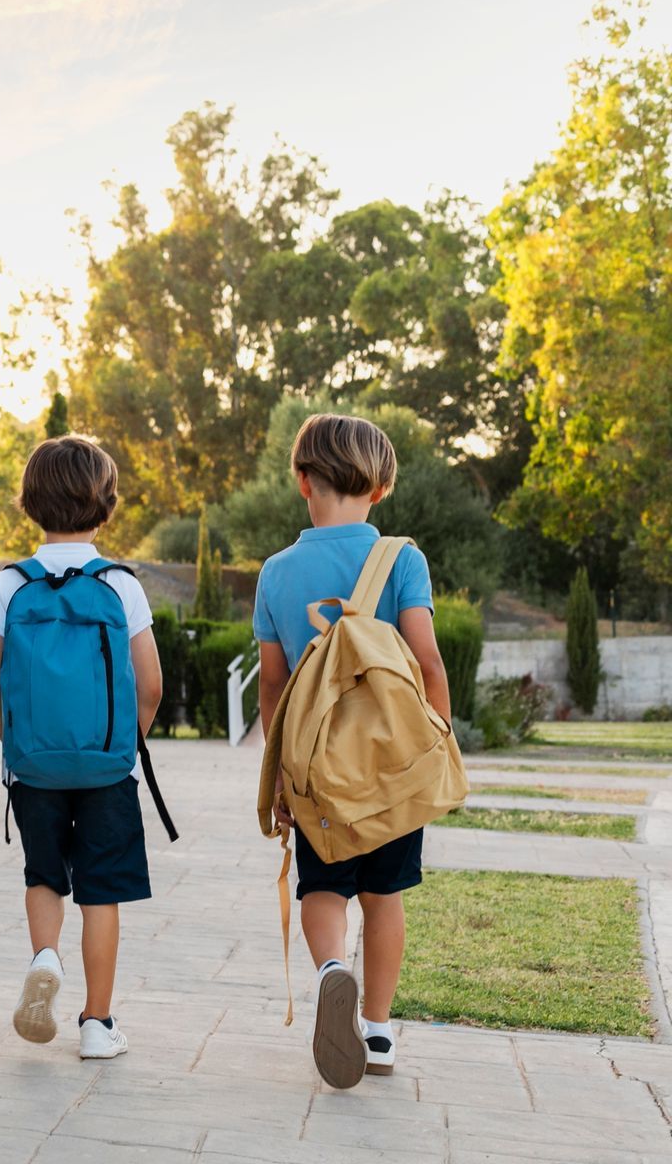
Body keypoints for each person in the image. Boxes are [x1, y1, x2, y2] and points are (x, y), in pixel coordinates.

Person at [253, 413, 449, 1086]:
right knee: (385, 894)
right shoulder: (402, 558)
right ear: (382, 486)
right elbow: (427, 661)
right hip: (391, 767)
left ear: (302, 481)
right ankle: (378, 1028)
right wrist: (437, 743)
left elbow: (274, 687)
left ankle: (333, 968)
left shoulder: (277, 572)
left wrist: (279, 776)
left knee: (324, 886)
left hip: (315, 769)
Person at [0, 435, 163, 1061]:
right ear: (105, 504)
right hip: (107, 766)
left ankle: (45, 956)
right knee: (100, 892)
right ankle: (98, 1023)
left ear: (29, 502)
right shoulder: (120, 584)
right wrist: (125, 743)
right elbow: (151, 682)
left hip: (34, 766)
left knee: (44, 876)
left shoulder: (10, 583)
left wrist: (16, 740)